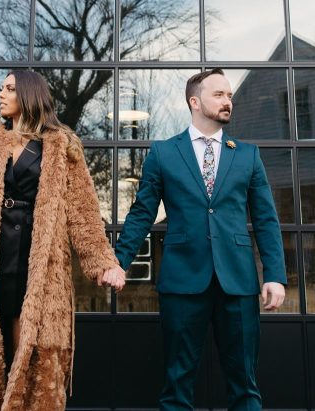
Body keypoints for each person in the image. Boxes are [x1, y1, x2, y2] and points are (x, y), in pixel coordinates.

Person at [0, 69, 125, 411]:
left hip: (36, 264)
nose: (0, 95)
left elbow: (82, 211)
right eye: (1, 89)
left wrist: (103, 262)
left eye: (9, 89)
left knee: (29, 354)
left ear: (29, 95)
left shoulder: (61, 146)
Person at [107, 68, 286, 411]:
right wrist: (119, 261)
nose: (227, 101)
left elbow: (266, 220)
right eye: (218, 94)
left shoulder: (247, 154)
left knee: (245, 387)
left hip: (238, 284)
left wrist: (275, 275)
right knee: (177, 385)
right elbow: (143, 211)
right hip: (182, 283)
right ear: (194, 101)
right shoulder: (163, 153)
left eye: (229, 95)